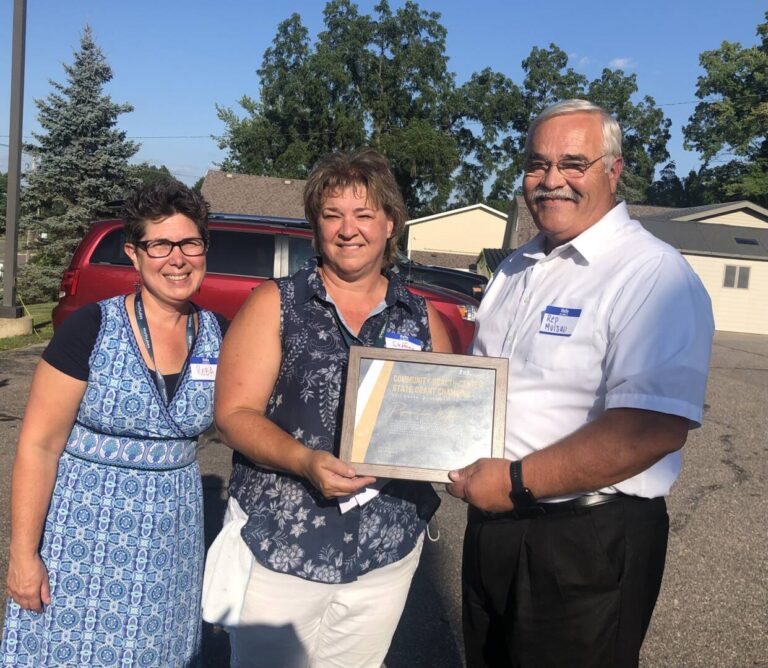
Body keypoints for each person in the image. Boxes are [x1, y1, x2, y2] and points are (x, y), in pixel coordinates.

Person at [446, 100, 715, 668]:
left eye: (573, 164)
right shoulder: (516, 267)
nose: (551, 181)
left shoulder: (650, 273)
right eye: (536, 164)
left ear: (613, 171)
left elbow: (652, 428)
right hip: (495, 525)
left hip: (585, 540)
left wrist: (515, 483)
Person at [213, 148, 452, 668]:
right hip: (284, 542)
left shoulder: (421, 318)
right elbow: (234, 415)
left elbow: (447, 423)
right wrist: (303, 460)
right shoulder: (276, 303)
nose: (348, 229)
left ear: (390, 224)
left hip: (383, 549)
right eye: (332, 215)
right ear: (315, 226)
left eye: (364, 214)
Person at [0, 180, 226, 667]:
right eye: (159, 245)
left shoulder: (219, 335)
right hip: (83, 536)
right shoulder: (92, 328)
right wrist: (23, 555)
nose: (177, 259)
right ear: (134, 254)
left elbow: (247, 417)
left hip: (172, 544)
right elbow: (39, 445)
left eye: (190, 243)